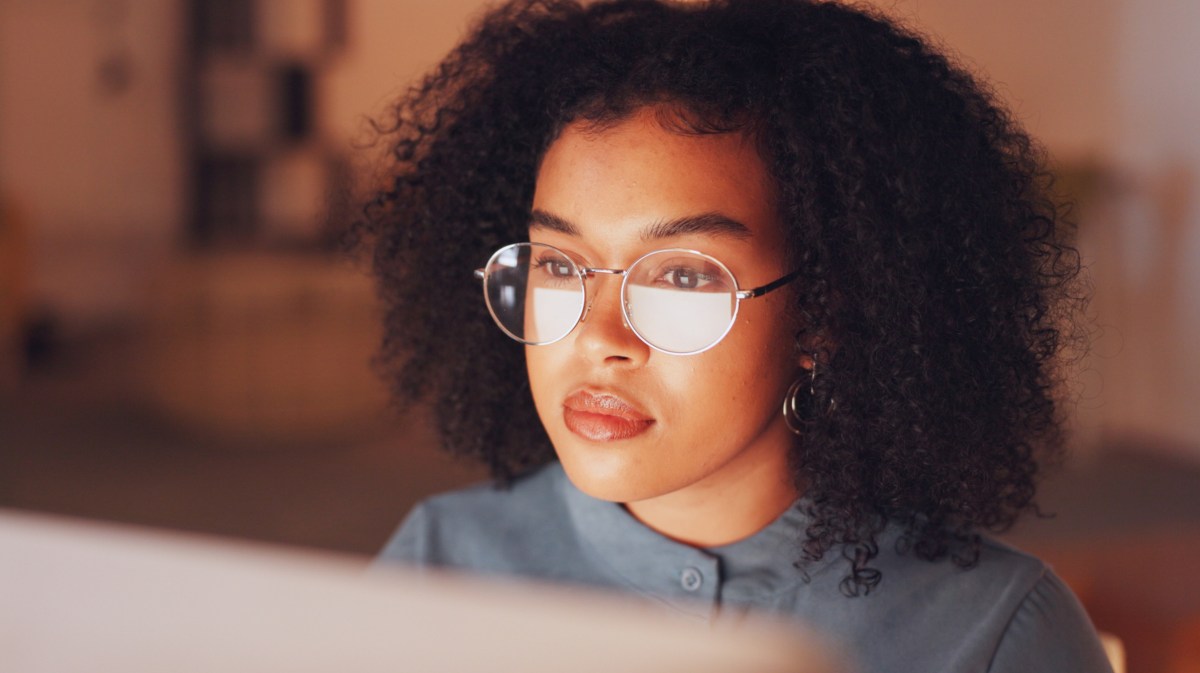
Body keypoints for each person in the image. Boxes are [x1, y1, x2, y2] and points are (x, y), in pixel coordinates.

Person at [355, 1, 1112, 671]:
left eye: (681, 276)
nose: (599, 337)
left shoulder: (994, 635)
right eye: (557, 263)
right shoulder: (440, 563)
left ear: (823, 312)